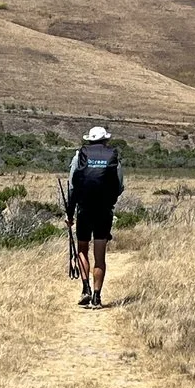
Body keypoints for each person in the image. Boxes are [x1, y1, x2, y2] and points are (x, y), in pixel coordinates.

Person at [65, 126, 123, 308]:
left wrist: (69, 213)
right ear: (106, 140)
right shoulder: (113, 157)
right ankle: (97, 298)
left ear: (89, 140)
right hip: (104, 211)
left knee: (82, 249)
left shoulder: (79, 156)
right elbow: (119, 186)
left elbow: (72, 186)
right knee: (100, 255)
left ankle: (86, 289)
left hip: (84, 210)